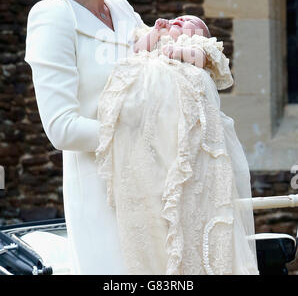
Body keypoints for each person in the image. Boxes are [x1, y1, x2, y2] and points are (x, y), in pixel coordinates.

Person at [24, 0, 163, 275]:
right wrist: (135, 128)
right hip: (99, 196)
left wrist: (178, 40)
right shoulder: (51, 18)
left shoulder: (121, 10)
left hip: (150, 186)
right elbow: (61, 127)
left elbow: (153, 69)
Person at [95, 15, 260, 274]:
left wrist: (180, 49)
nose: (181, 20)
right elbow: (137, 50)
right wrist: (155, 34)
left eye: (191, 21)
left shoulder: (199, 46)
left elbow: (202, 59)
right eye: (178, 19)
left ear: (201, 34)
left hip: (183, 106)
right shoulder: (154, 38)